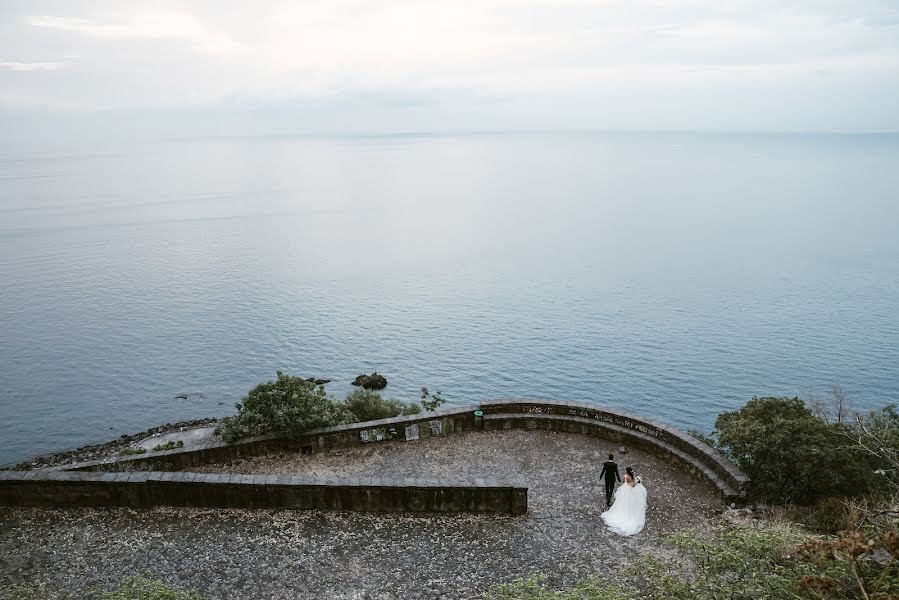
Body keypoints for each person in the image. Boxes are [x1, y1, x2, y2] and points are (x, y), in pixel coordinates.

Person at [600, 466, 647, 536]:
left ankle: (623, 512)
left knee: (622, 502)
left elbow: (623, 482)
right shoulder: (632, 476)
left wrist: (626, 483)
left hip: (626, 489)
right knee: (632, 502)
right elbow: (633, 485)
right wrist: (637, 480)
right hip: (631, 490)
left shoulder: (626, 476)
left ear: (627, 471)